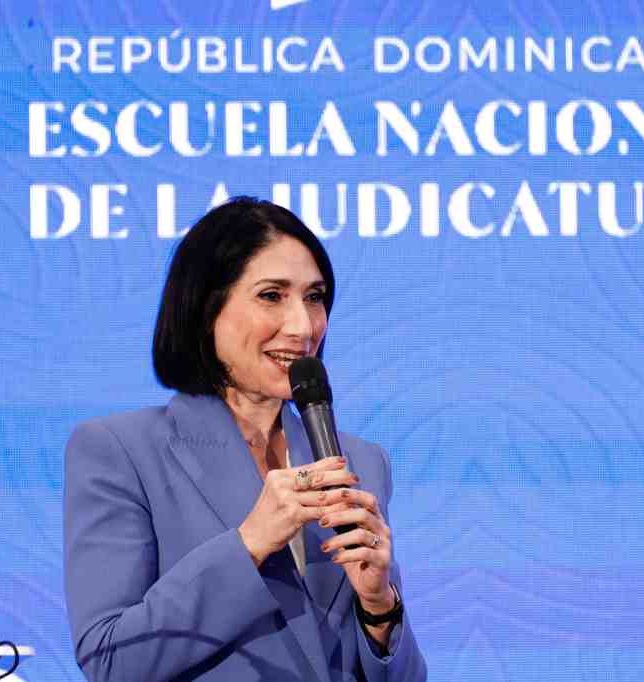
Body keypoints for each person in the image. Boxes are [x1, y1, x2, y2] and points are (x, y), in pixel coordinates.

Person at [63, 197, 427, 681]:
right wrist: (249, 544)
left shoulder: (362, 460)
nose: (302, 326)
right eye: (272, 295)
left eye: (314, 297)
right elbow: (112, 661)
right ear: (206, 308)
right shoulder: (120, 451)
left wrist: (380, 606)